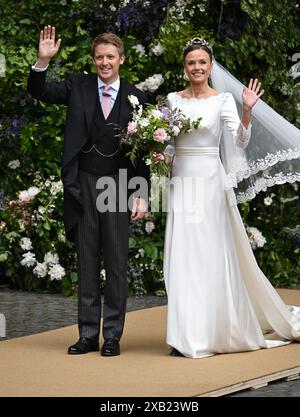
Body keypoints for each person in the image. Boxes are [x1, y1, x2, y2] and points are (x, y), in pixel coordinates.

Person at [159, 38, 300, 358]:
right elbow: (169, 144)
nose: (197, 67)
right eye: (191, 62)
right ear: (185, 67)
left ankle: (213, 330)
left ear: (210, 66)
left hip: (210, 184)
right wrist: (160, 153)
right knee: (181, 255)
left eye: (202, 62)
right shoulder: (171, 99)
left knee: (209, 256)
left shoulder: (222, 99)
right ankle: (185, 335)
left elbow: (240, 140)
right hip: (182, 184)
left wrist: (247, 111)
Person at [27, 26, 149, 356]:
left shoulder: (137, 97)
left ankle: (112, 336)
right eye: (99, 57)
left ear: (121, 59)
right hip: (84, 183)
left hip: (119, 185)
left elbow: (146, 151)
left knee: (116, 262)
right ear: (93, 60)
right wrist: (42, 61)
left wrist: (141, 192)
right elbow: (40, 92)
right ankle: (87, 334)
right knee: (87, 261)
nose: (104, 62)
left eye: (110, 57)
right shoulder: (78, 87)